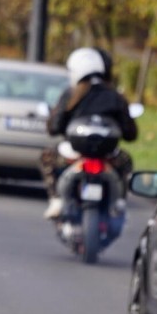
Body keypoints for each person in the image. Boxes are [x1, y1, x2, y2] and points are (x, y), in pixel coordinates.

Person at [41, 47, 138, 220]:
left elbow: (54, 127)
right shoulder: (115, 96)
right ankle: (120, 202)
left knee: (47, 156)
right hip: (109, 156)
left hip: (73, 154)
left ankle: (56, 199)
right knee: (126, 160)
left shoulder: (71, 95)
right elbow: (130, 133)